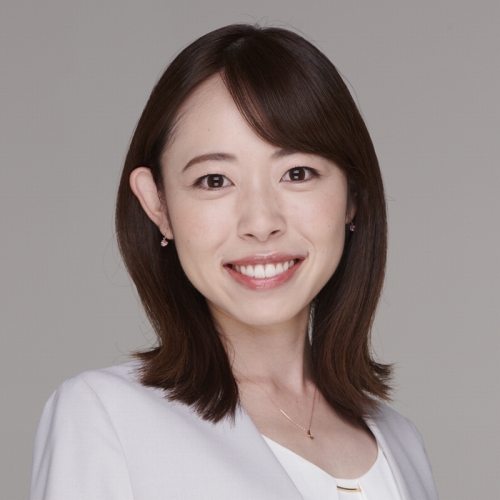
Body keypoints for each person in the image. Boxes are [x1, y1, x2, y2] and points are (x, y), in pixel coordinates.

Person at [30, 24, 439, 499]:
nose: (261, 222)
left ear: (352, 196)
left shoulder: (401, 441)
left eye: (297, 173)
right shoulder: (105, 418)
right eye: (214, 180)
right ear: (158, 205)